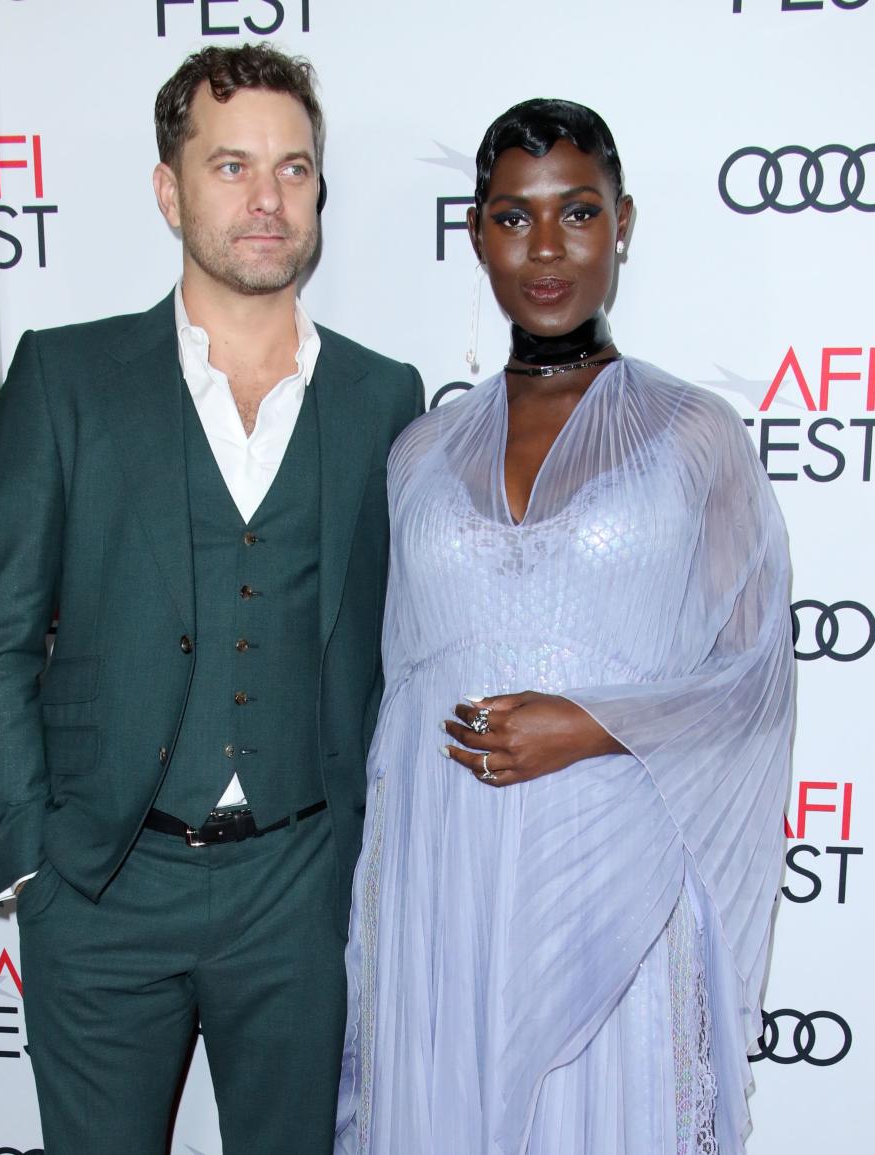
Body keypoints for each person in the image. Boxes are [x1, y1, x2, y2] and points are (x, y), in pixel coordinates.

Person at [0, 43, 423, 1155]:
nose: (267, 199)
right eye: (230, 167)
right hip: (105, 882)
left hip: (299, 889)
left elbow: (398, 646)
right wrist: (28, 858)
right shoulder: (67, 379)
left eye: (294, 169)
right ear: (170, 190)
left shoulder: (382, 395)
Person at [335, 99, 793, 1155]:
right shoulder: (419, 453)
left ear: (622, 223)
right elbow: (397, 692)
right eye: (513, 217)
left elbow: (752, 674)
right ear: (478, 234)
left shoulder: (694, 435)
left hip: (616, 873)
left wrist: (593, 722)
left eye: (577, 213)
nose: (547, 250)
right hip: (442, 881)